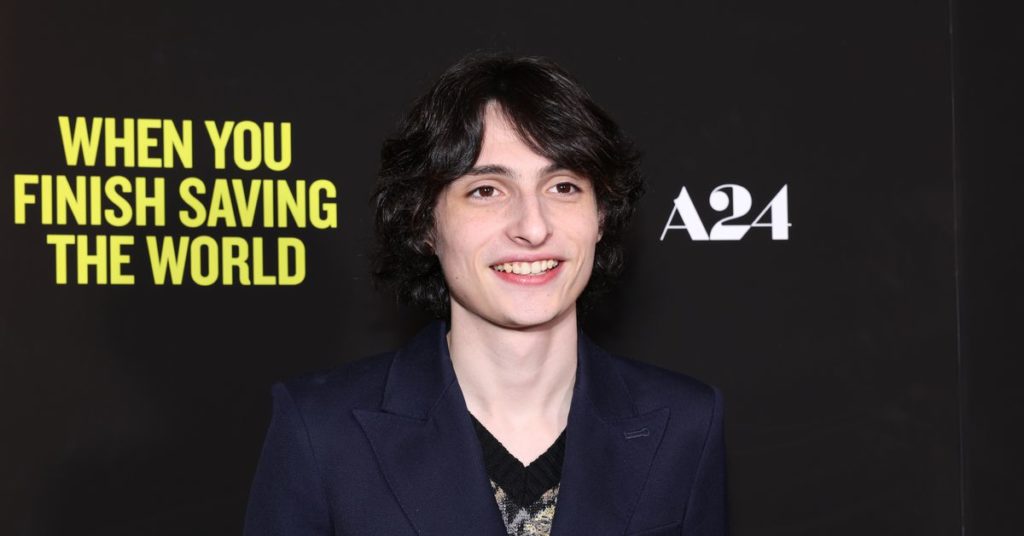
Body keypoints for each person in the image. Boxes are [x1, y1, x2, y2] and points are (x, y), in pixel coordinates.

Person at [244, 53, 726, 536]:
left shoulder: (686, 423)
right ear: (424, 223)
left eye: (563, 187)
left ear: (600, 216)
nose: (533, 227)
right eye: (486, 191)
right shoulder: (320, 430)